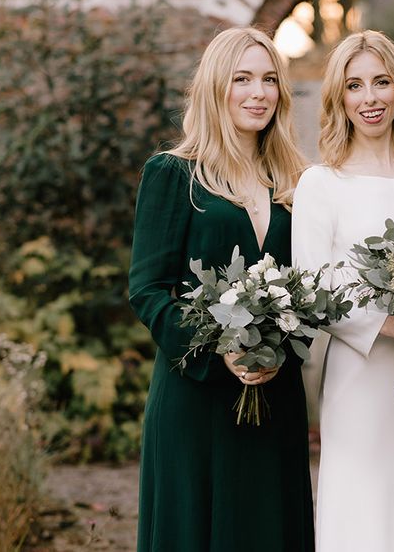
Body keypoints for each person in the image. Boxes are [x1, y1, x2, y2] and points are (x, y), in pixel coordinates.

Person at [129, 27, 314, 552]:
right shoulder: (174, 174)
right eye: (243, 79)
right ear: (216, 87)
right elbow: (147, 289)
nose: (258, 93)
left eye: (270, 80)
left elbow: (313, 288)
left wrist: (282, 351)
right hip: (196, 397)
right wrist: (220, 349)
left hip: (275, 394)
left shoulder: (298, 184)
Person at [291, 30, 394, 551]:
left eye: (382, 82)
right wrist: (388, 324)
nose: (370, 98)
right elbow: (311, 286)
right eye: (355, 86)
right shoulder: (321, 184)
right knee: (364, 505)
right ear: (339, 99)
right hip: (359, 378)